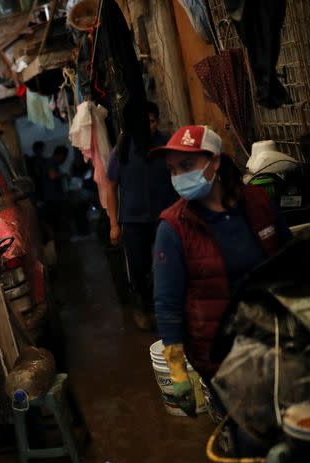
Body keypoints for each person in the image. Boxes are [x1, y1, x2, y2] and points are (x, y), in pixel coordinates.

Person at [151, 125, 292, 416]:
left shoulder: (257, 202)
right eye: (173, 170)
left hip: (274, 338)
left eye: (187, 165)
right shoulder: (174, 227)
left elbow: (290, 261)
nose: (179, 177)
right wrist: (177, 370)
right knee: (251, 432)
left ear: (215, 161)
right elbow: (167, 303)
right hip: (221, 355)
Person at [106, 101, 179, 330]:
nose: (152, 126)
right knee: (139, 268)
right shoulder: (122, 148)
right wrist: (113, 224)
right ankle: (144, 308)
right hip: (134, 220)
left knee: (166, 265)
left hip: (165, 218)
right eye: (147, 121)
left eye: (154, 121)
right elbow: (110, 187)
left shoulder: (167, 143)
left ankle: (168, 311)